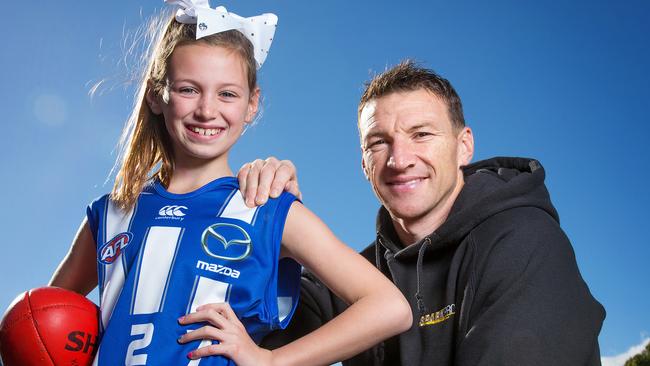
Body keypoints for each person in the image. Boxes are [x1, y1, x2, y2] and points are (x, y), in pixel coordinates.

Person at [48, 2, 412, 365]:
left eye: (227, 94)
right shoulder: (111, 212)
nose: (207, 110)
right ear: (157, 95)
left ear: (252, 104)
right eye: (188, 90)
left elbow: (389, 307)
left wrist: (270, 361)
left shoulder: (266, 207)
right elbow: (42, 316)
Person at [244, 61, 606, 365]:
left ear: (464, 147)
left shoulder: (524, 240)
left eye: (421, 134)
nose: (399, 160)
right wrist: (268, 222)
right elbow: (246, 335)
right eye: (379, 142)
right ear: (363, 164)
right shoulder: (360, 278)